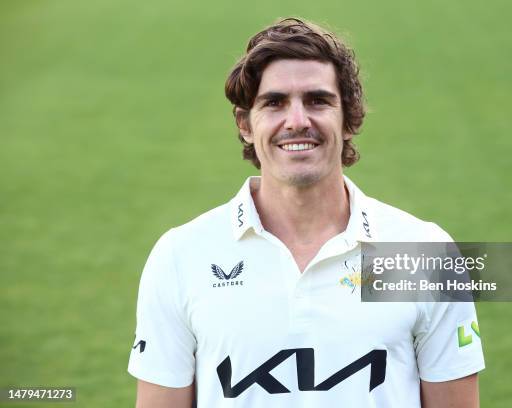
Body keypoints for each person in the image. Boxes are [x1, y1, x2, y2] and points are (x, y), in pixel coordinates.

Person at [128, 17, 485, 408]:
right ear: (245, 124)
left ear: (348, 118)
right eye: (274, 102)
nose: (297, 121)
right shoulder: (181, 256)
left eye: (317, 100)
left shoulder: (423, 251)